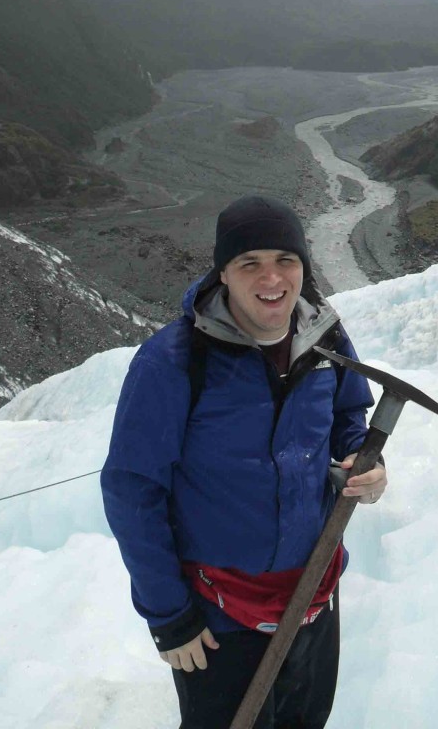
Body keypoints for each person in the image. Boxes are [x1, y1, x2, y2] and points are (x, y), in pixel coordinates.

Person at [101, 195, 387, 728]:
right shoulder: (176, 361)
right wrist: (169, 617)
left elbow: (349, 411)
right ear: (223, 274)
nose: (271, 278)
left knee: (306, 719)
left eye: (286, 260)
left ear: (304, 267)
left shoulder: (324, 336)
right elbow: (131, 490)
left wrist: (360, 458)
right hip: (216, 613)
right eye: (249, 263)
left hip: (313, 590)